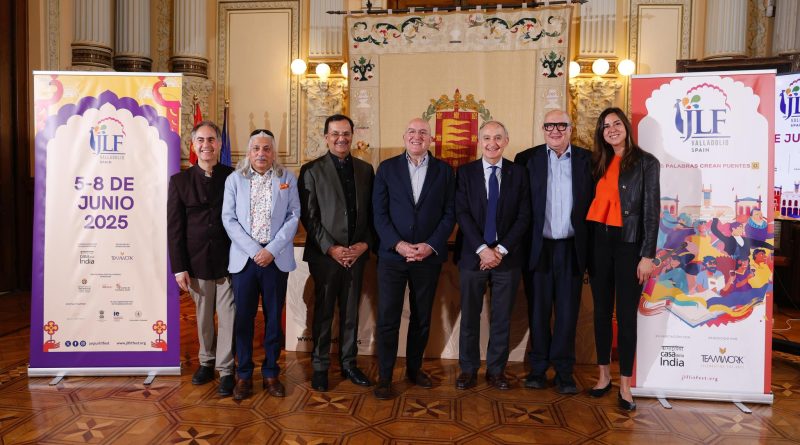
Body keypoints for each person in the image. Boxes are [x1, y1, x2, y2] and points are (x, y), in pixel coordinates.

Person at [371, 118, 456, 399]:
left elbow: (449, 214)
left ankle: (414, 369)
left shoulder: (444, 172)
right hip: (393, 258)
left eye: (422, 132)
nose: (416, 136)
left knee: (421, 318)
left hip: (427, 258)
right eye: (411, 131)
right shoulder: (387, 168)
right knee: (388, 318)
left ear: (430, 139)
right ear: (404, 136)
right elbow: (379, 214)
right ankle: (384, 376)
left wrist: (430, 245)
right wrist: (398, 245)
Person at [586, 107, 660, 411]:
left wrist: (648, 255)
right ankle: (604, 376)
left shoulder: (646, 162)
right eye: (605, 126)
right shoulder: (597, 162)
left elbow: (652, 212)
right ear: (601, 133)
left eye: (616, 124)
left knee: (627, 317)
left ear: (626, 127)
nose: (611, 129)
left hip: (629, 246)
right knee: (601, 313)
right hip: (598, 242)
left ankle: (626, 384)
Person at [515, 110, 593, 394]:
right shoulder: (527, 160)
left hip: (572, 248)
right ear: (543, 128)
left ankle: (563, 372)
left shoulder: (588, 160)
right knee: (538, 311)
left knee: (567, 313)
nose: (555, 130)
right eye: (550, 125)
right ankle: (537, 369)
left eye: (561, 125)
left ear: (570, 129)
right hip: (539, 248)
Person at [221, 129, 300, 400]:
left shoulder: (287, 178)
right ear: (249, 151)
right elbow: (228, 219)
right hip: (245, 260)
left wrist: (271, 250)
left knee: (273, 320)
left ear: (273, 152)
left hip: (275, 260)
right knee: (243, 319)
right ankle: (243, 375)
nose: (261, 153)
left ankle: (270, 373)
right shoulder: (234, 180)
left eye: (266, 148)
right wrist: (256, 250)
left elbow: (294, 216)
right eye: (256, 148)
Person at [299, 114, 375, 392]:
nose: (341, 138)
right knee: (324, 312)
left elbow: (372, 215)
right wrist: (331, 248)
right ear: (326, 136)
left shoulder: (366, 170)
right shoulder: (311, 170)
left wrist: (363, 245)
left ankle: (349, 363)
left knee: (351, 312)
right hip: (325, 256)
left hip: (357, 255)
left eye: (346, 133)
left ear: (352, 135)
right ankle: (320, 366)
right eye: (335, 134)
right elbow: (310, 218)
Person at [454, 120, 531, 390]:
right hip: (472, 256)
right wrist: (482, 249)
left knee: (501, 318)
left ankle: (496, 370)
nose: (492, 143)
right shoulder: (465, 173)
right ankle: (468, 369)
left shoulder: (519, 173)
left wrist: (499, 249)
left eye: (498, 137)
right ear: (479, 141)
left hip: (506, 258)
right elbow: (461, 213)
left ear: (506, 141)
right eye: (487, 137)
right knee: (470, 316)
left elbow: (524, 216)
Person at [167, 121, 235, 396]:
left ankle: (227, 369)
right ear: (192, 146)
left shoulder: (233, 177)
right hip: (195, 262)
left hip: (230, 260)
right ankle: (206, 362)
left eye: (211, 140)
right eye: (201, 141)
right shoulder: (179, 181)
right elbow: (174, 228)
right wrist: (179, 267)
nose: (206, 145)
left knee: (229, 316)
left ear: (219, 144)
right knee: (203, 317)